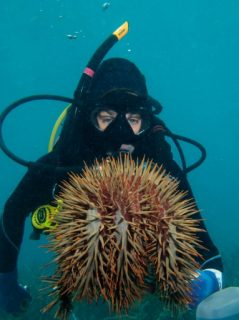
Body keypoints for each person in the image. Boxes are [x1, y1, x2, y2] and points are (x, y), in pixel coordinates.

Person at [0, 57, 223, 316]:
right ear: (89, 117)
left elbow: (206, 247)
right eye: (106, 118)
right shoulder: (67, 155)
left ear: (146, 121)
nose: (121, 131)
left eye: (133, 118)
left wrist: (210, 278)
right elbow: (13, 211)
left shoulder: (156, 156)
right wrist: (5, 278)